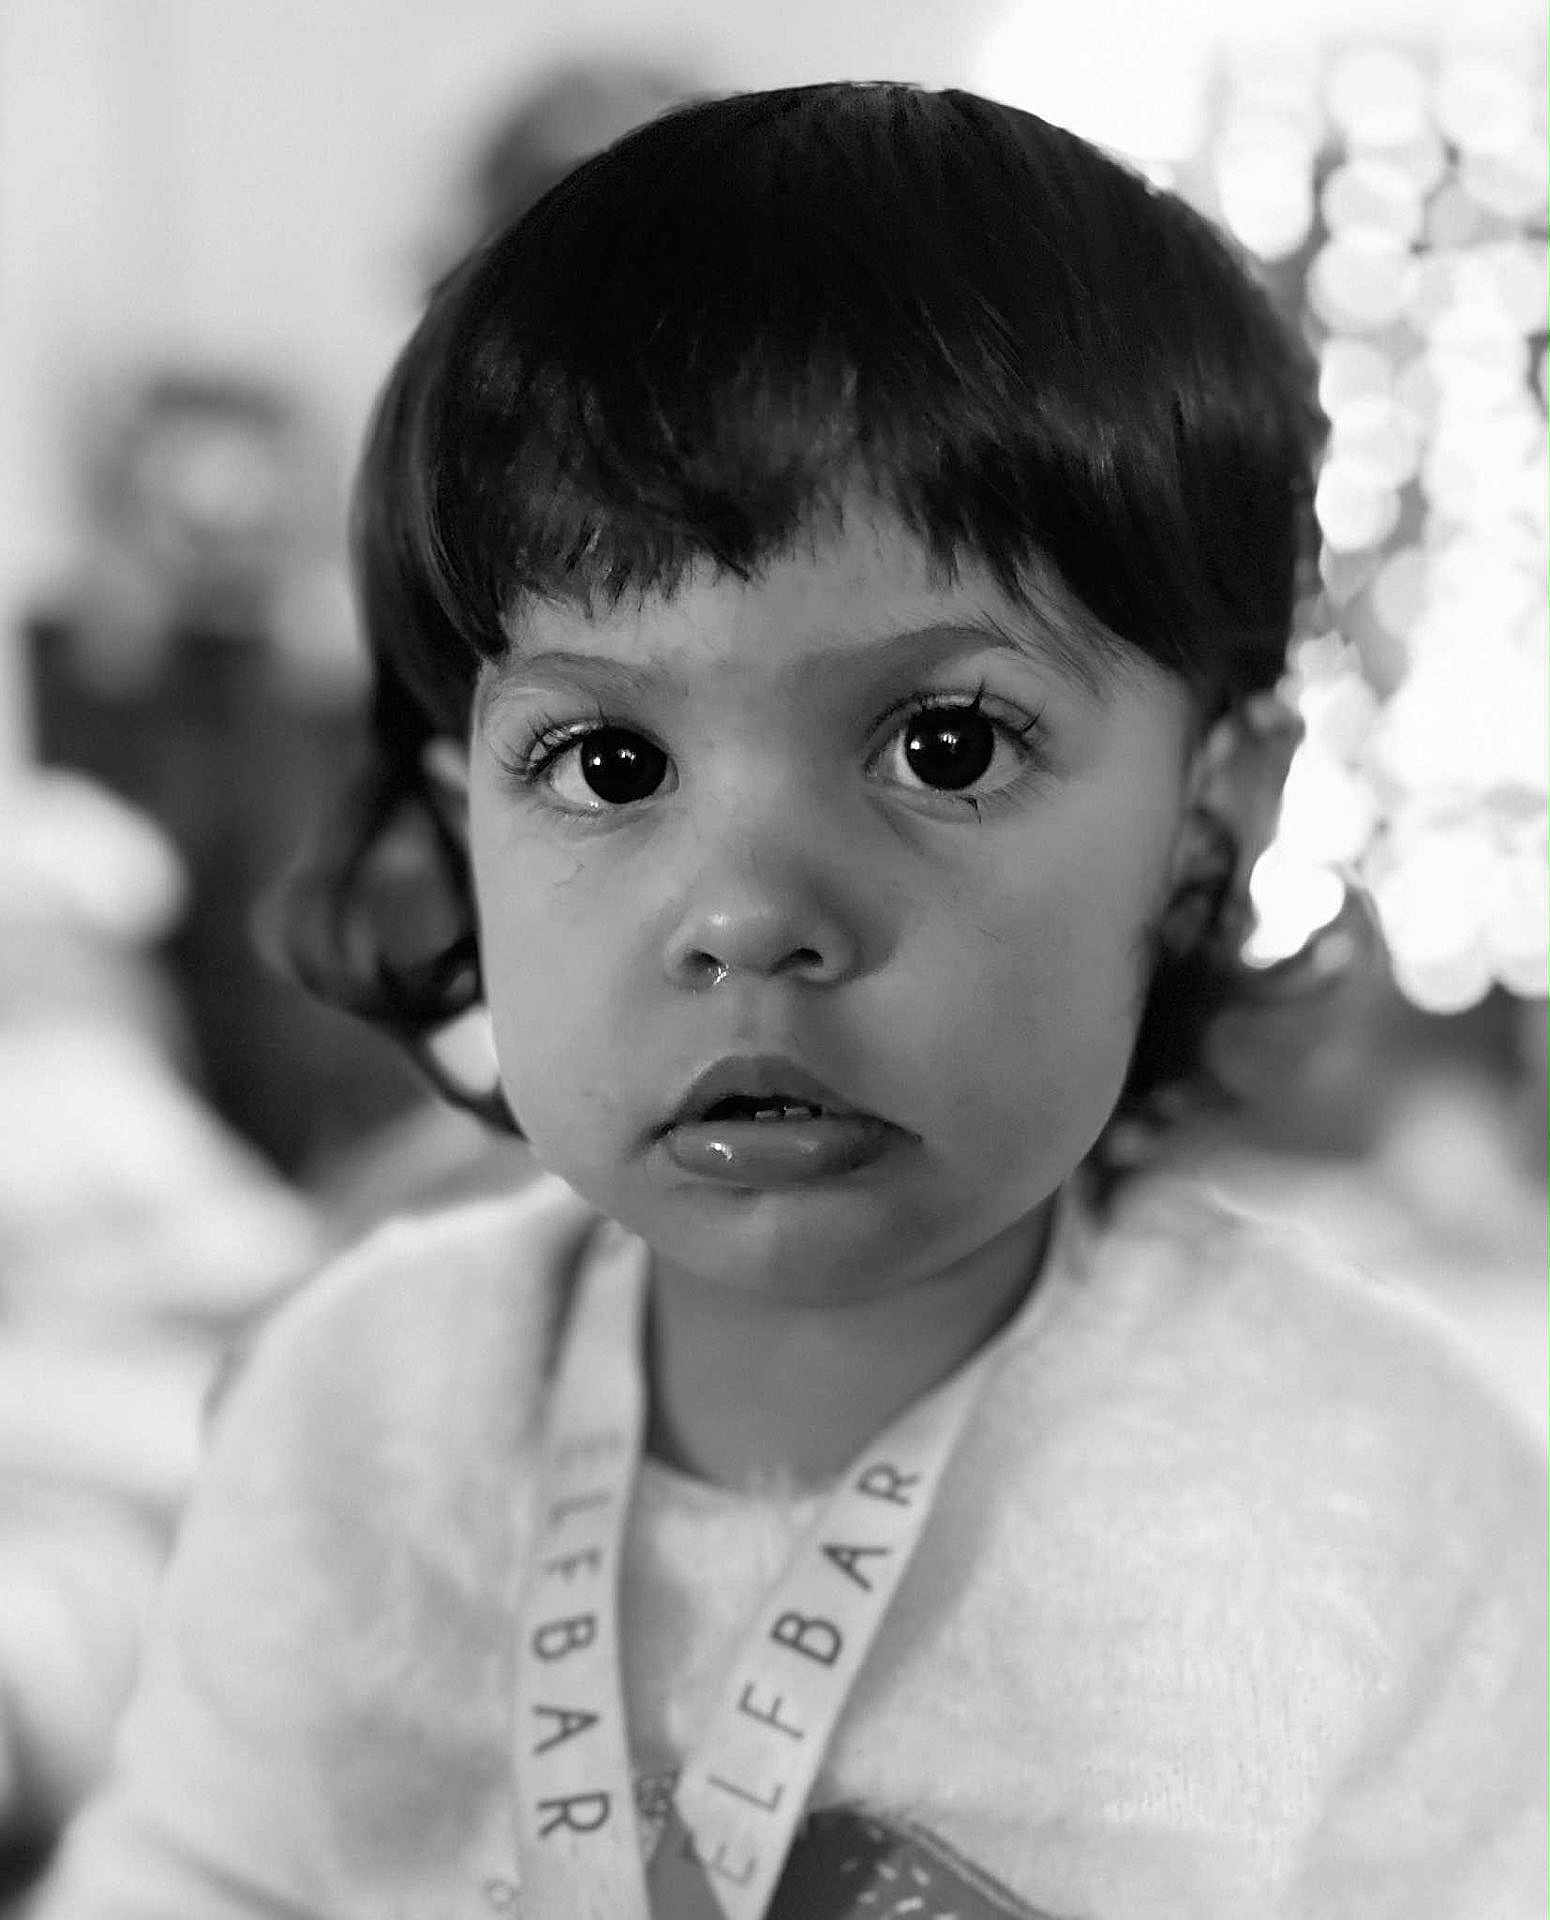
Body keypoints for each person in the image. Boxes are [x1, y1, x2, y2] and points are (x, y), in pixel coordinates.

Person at [33, 82, 1545, 1920]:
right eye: (603, 763)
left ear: (1207, 817)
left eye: (943, 741)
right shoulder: (361, 1411)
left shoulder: (1377, 1492)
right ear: (465, 829)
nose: (748, 914)